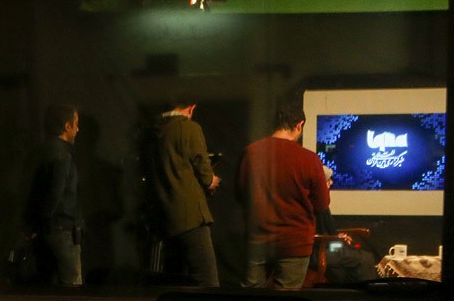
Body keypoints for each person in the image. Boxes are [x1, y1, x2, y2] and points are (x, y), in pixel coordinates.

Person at [237, 104, 331, 289]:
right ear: (299, 125)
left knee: (250, 299)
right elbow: (321, 204)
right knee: (286, 300)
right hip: (295, 242)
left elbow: (241, 193)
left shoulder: (252, 152)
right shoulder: (309, 159)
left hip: (258, 239)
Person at [140, 98, 221, 286]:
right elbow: (205, 174)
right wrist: (212, 180)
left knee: (174, 282)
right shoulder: (189, 129)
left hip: (162, 220)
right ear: (191, 108)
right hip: (190, 218)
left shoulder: (150, 132)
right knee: (207, 280)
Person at [22, 104, 83, 287]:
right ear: (67, 126)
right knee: (71, 287)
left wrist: (32, 225)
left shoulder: (37, 152)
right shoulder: (63, 155)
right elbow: (55, 194)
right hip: (62, 229)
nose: (78, 129)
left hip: (41, 231)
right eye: (76, 124)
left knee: (45, 287)